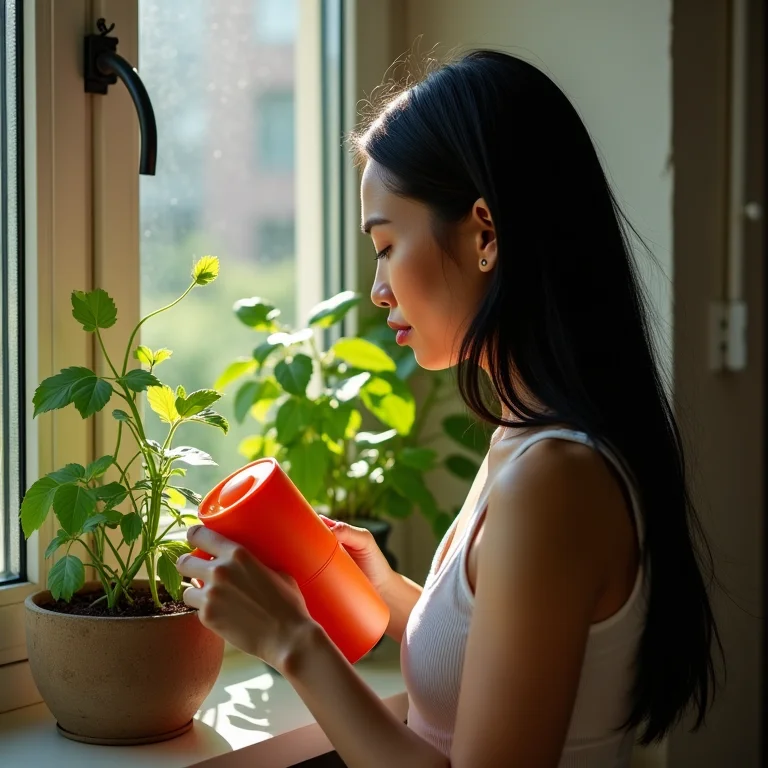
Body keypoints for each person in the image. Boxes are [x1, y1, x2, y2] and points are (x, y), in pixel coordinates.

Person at [176, 49, 721, 767]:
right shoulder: (529, 440)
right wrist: (390, 595)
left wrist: (292, 640)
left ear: (485, 232)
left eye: (387, 244)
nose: (378, 289)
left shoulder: (554, 482)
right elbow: (506, 650)